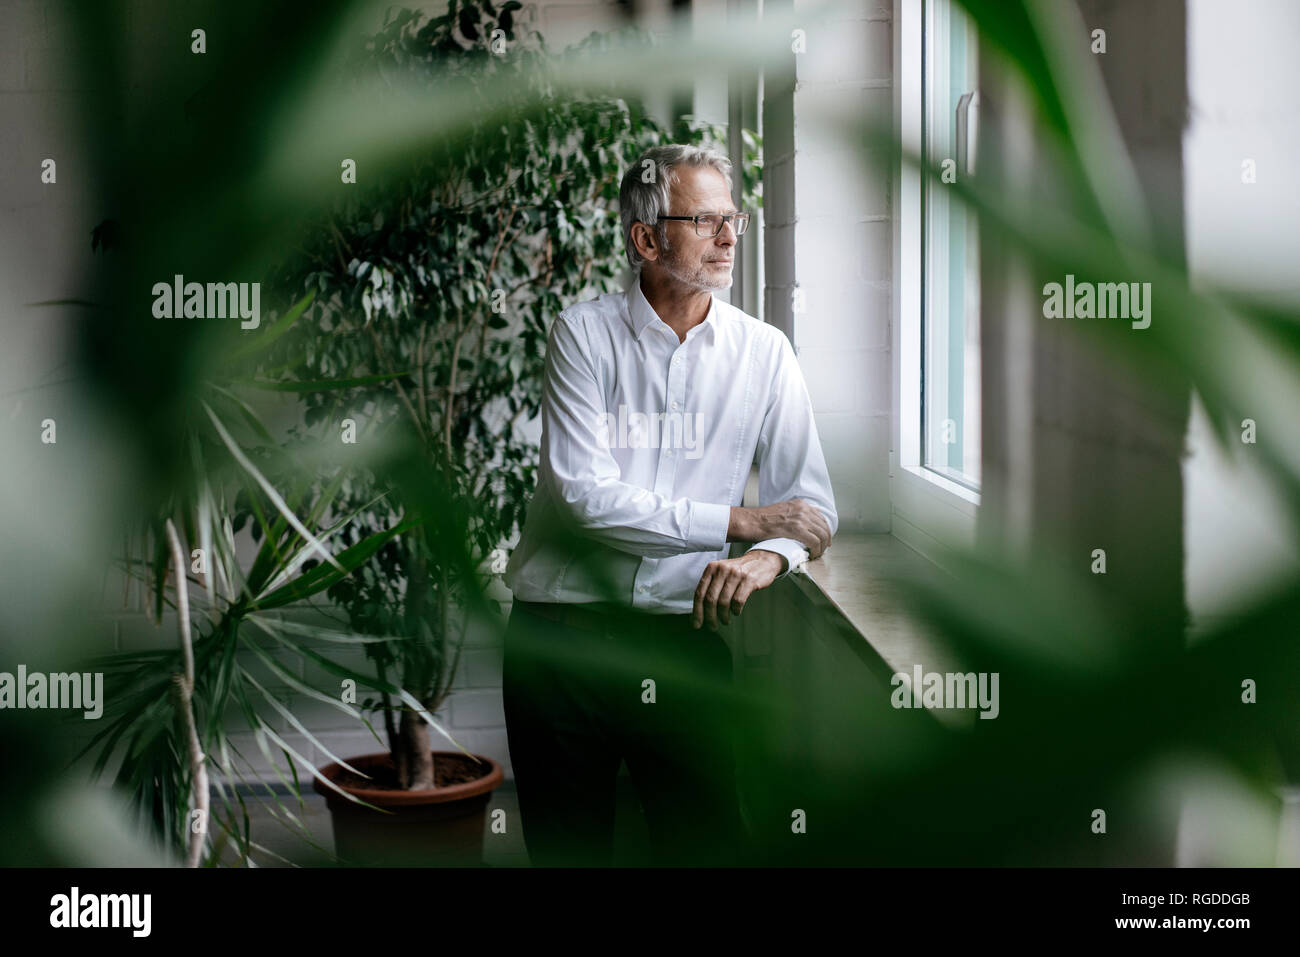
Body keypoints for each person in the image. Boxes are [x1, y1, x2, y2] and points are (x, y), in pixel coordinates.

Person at [502, 143, 838, 866]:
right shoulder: (581, 335)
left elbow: (809, 507)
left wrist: (765, 561)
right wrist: (743, 522)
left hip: (684, 640)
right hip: (560, 643)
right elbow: (586, 497)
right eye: (704, 220)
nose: (727, 238)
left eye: (733, 220)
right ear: (646, 239)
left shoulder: (766, 352)